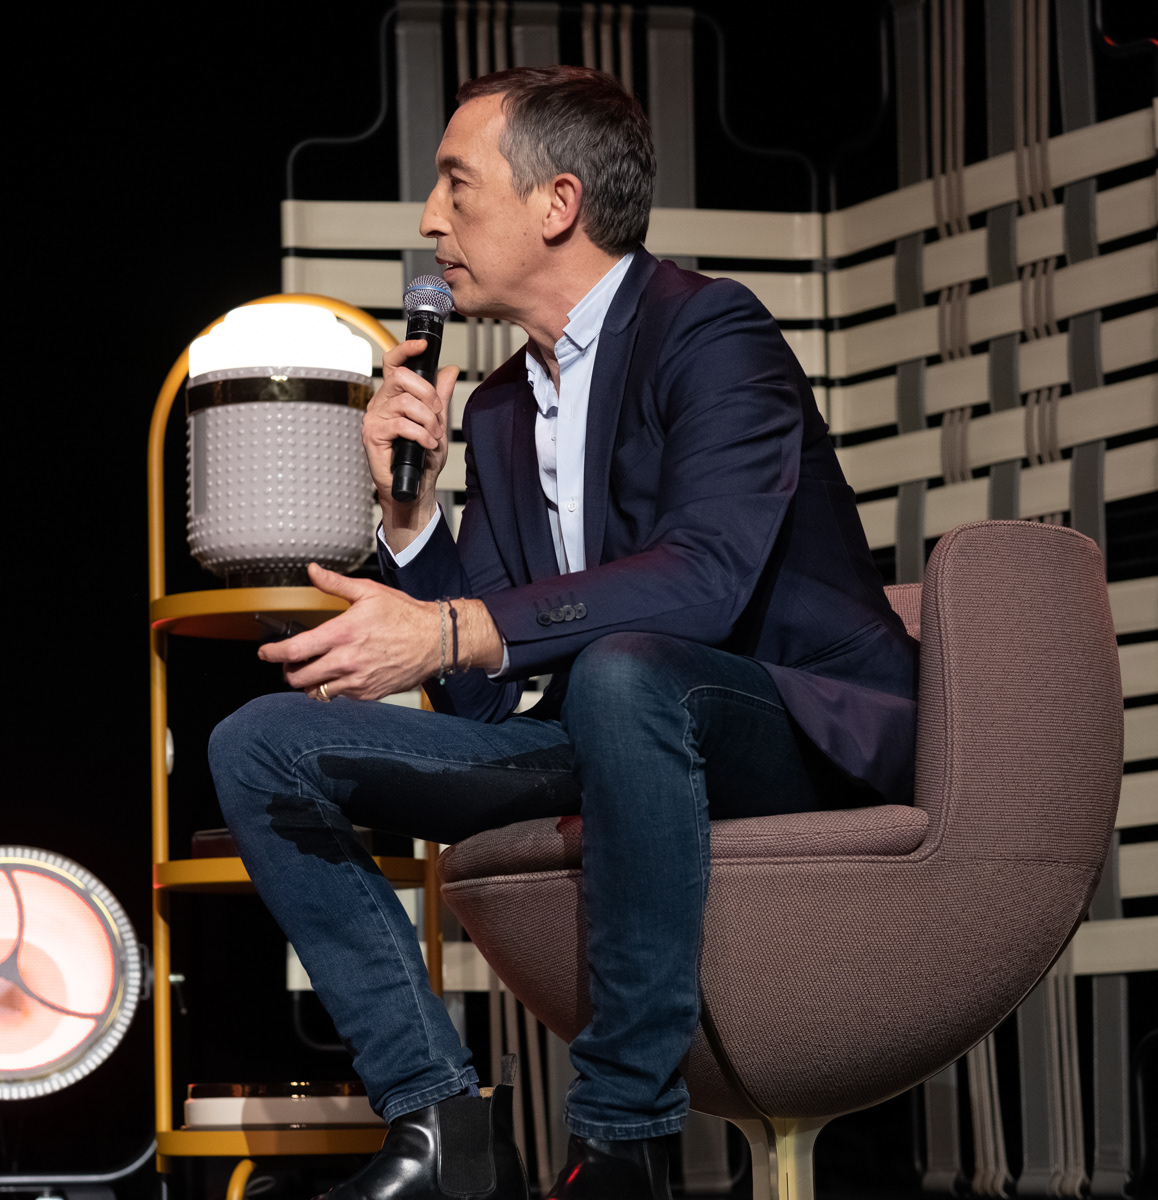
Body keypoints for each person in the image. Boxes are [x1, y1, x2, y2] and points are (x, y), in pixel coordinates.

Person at [209, 65, 917, 1200]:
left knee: (627, 672)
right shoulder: (498, 409)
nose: (429, 220)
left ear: (558, 202)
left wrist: (456, 628)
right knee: (260, 744)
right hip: (612, 724)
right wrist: (411, 522)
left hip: (783, 724)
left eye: (456, 184)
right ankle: (437, 1127)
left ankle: (621, 1142)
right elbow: (487, 693)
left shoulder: (710, 330)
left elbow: (703, 582)